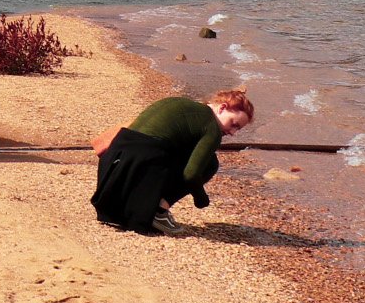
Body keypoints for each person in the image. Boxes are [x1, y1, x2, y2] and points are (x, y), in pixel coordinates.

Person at [91, 87, 253, 235]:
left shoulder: (180, 102)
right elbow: (191, 174)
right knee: (210, 163)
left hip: (114, 166)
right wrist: (201, 198)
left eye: (237, 129)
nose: (232, 132)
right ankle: (160, 212)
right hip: (142, 161)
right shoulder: (211, 128)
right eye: (233, 124)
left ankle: (142, 206)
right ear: (222, 108)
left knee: (177, 149)